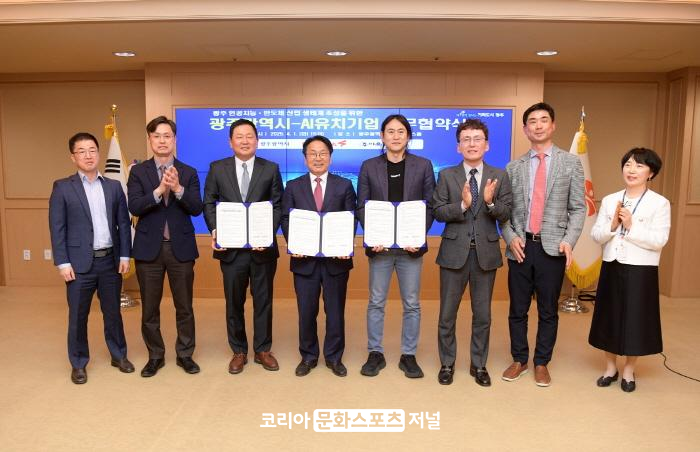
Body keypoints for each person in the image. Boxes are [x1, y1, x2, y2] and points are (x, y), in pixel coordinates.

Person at [501, 102, 585, 387]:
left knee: (548, 310)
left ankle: (541, 363)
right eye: (532, 122)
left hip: (552, 248)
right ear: (525, 129)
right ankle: (519, 359)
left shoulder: (570, 163)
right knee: (518, 309)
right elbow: (504, 211)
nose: (538, 125)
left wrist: (568, 240)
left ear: (553, 125)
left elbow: (578, 208)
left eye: (543, 120)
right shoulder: (513, 167)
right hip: (520, 247)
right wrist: (510, 237)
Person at [49, 132, 133, 384]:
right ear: (73, 157)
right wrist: (62, 262)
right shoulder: (63, 187)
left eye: (92, 150)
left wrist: (125, 254)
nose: (88, 155)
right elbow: (57, 227)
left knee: (113, 313)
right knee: (78, 316)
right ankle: (78, 363)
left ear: (98, 153)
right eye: (82, 151)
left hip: (109, 261)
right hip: (78, 264)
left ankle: (119, 355)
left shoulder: (113, 186)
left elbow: (123, 223)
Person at [432, 119, 512, 386]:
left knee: (483, 316)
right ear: (458, 147)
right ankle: (447, 363)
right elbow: (438, 211)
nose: (472, 144)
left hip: (485, 255)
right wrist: (463, 206)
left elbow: (506, 212)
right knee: (447, 315)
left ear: (486, 145)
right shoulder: (446, 175)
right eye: (466, 139)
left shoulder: (499, 175)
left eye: (477, 139)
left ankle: (479, 365)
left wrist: (489, 202)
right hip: (453, 253)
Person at [356, 114, 436, 378]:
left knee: (411, 303)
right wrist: (373, 234)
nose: (395, 136)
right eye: (390, 131)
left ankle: (408, 355)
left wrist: (417, 236)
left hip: (410, 249)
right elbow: (361, 205)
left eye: (401, 131)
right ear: (382, 136)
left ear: (408, 136)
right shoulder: (369, 166)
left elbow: (430, 205)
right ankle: (375, 353)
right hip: (380, 248)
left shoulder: (423, 165)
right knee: (376, 302)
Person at [203, 118, 283, 374]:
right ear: (230, 142)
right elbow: (209, 202)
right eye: (239, 136)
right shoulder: (217, 168)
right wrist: (215, 230)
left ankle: (263, 349)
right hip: (231, 250)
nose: (245, 141)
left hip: (263, 250)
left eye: (250, 136)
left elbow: (278, 205)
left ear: (257, 140)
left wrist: (266, 234)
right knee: (233, 302)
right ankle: (238, 350)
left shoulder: (271, 168)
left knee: (263, 301)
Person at [127, 116, 203, 377]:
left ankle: (185, 355)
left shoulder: (189, 172)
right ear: (150, 140)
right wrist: (159, 190)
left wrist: (178, 188)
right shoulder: (138, 172)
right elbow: (134, 207)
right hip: (149, 249)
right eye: (157, 136)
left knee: (185, 307)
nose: (162, 141)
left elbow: (196, 208)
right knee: (150, 308)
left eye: (167, 136)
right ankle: (155, 356)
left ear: (175, 139)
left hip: (180, 249)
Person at [589, 148, 670, 393]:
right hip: (612, 265)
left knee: (636, 319)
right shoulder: (611, 199)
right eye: (628, 165)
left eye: (639, 166)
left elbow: (659, 240)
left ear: (651, 173)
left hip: (641, 269)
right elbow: (596, 235)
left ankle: (628, 370)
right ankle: (610, 368)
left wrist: (631, 225)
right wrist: (613, 225)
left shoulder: (659, 203)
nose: (632, 170)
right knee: (609, 317)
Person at [281, 136, 357, 377]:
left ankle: (334, 357)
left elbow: (351, 218)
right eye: (312, 153)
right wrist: (294, 242)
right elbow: (285, 218)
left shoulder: (344, 185)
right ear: (305, 159)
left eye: (323, 153)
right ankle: (308, 356)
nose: (318, 158)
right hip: (304, 260)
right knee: (306, 311)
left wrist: (344, 244)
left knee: (335, 312)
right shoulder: (293, 186)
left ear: (330, 157)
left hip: (336, 261)